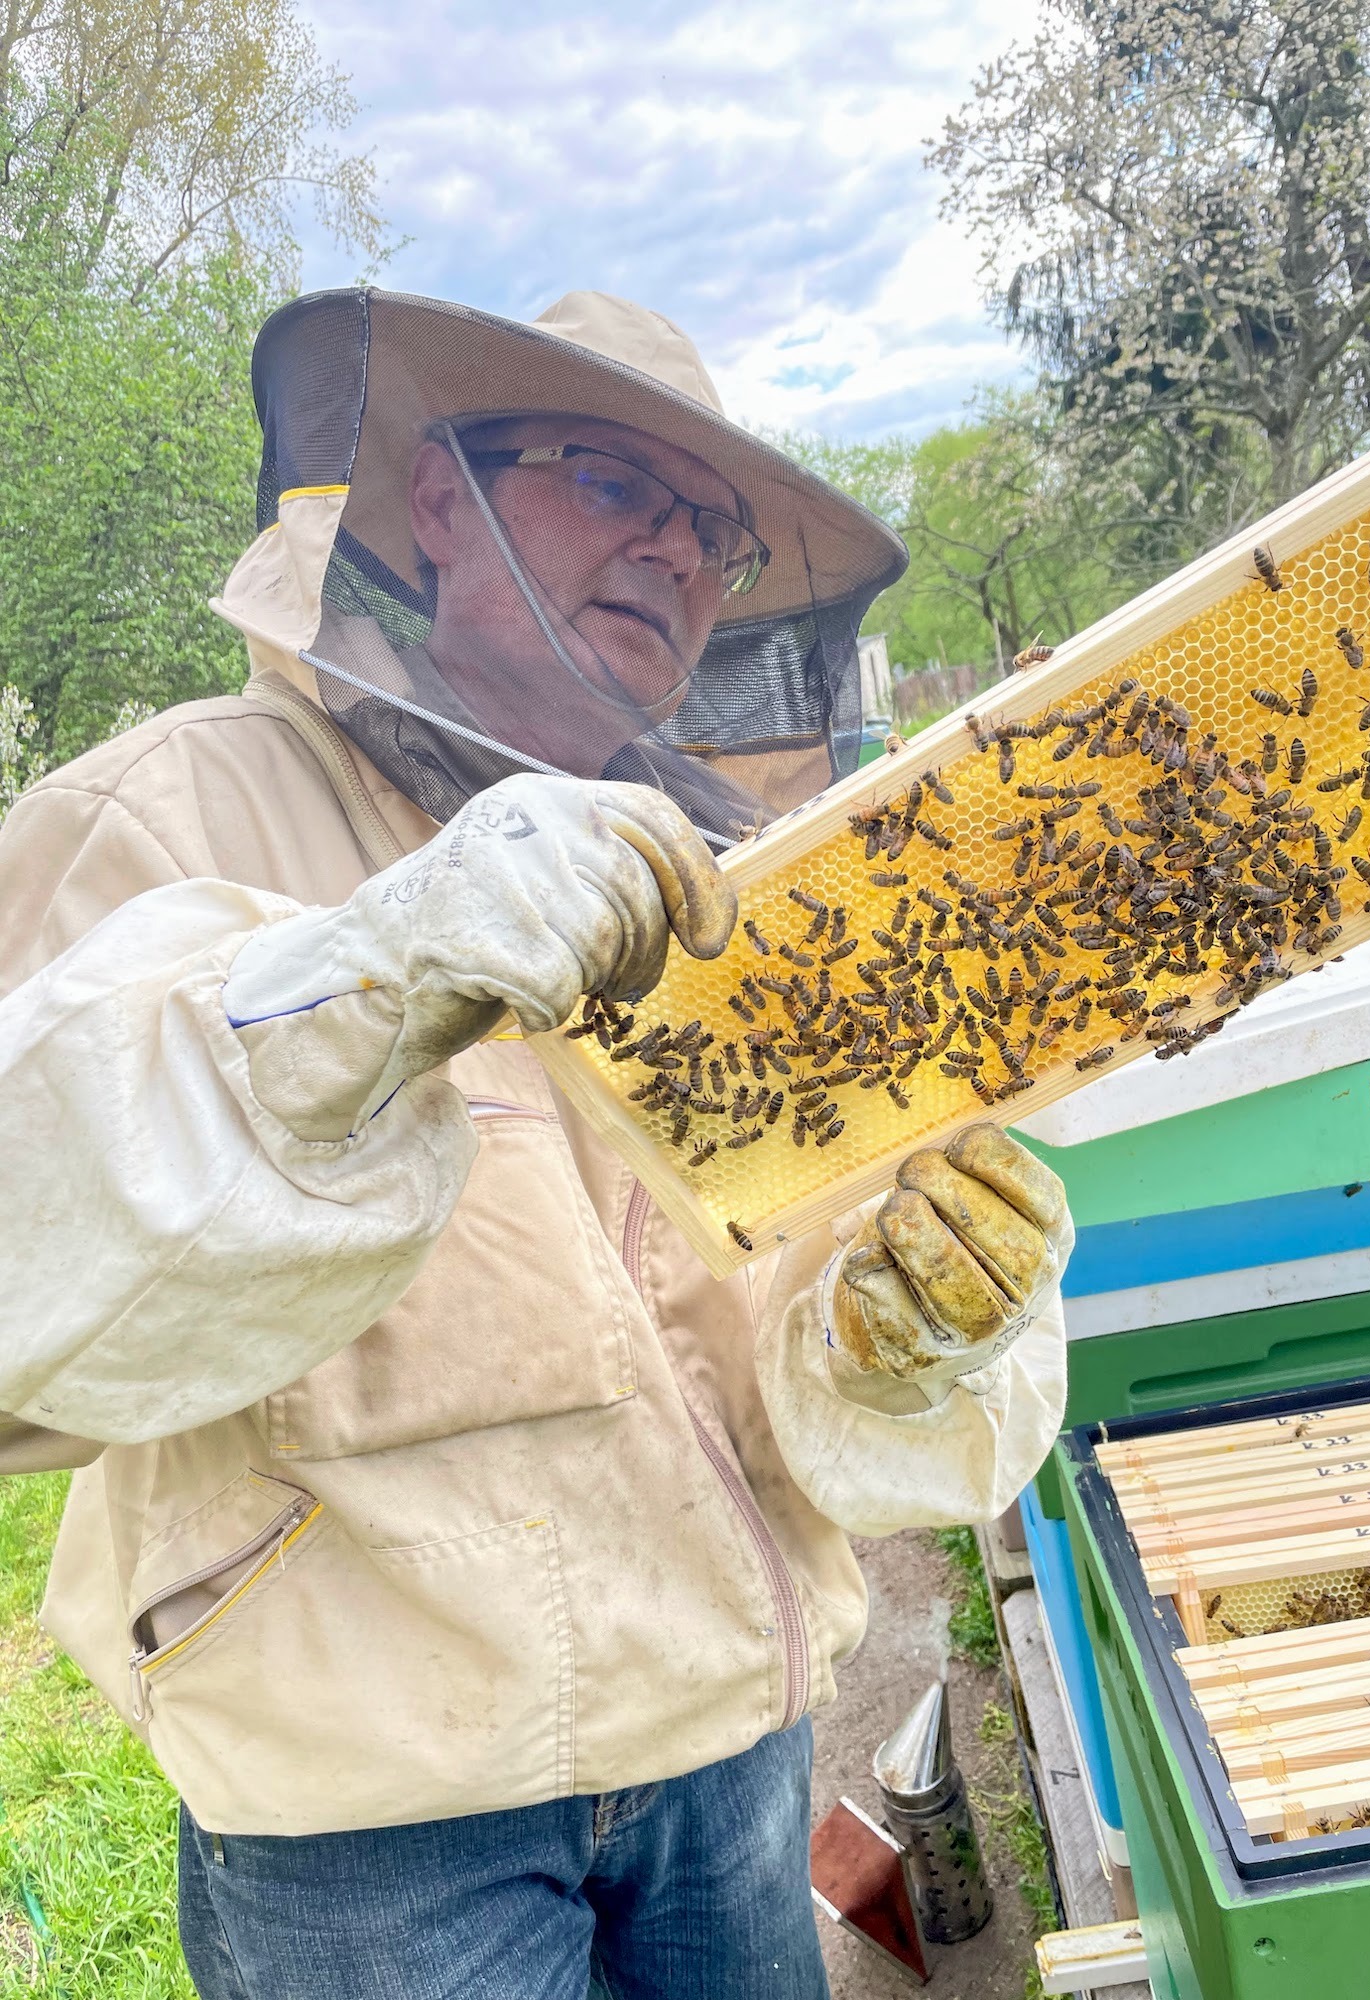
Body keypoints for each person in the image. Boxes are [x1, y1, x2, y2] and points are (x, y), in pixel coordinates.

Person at [0, 288, 1071, 2000]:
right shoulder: (159, 815)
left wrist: (895, 1335)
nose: (674, 548)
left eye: (710, 527)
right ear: (439, 498)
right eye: (609, 481)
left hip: (727, 1740)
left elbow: (796, 1273)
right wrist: (353, 993)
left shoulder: (743, 878)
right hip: (378, 1832)